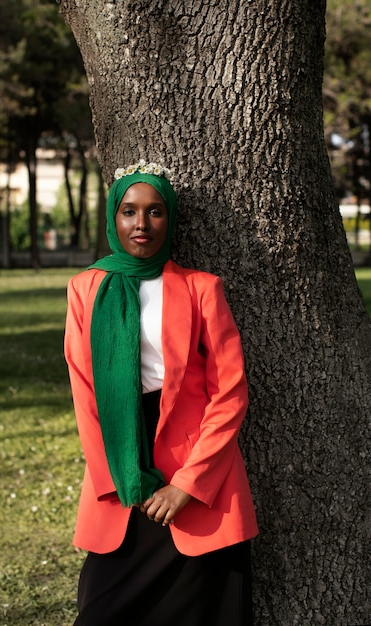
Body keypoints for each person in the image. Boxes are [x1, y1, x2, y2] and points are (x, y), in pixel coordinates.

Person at [64, 160, 259, 626]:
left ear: (170, 219)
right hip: (120, 464)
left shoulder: (200, 288)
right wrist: (118, 476)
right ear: (113, 217)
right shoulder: (85, 288)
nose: (141, 224)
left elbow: (229, 391)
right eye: (129, 211)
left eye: (155, 212)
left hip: (197, 467)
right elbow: (84, 391)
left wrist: (187, 486)